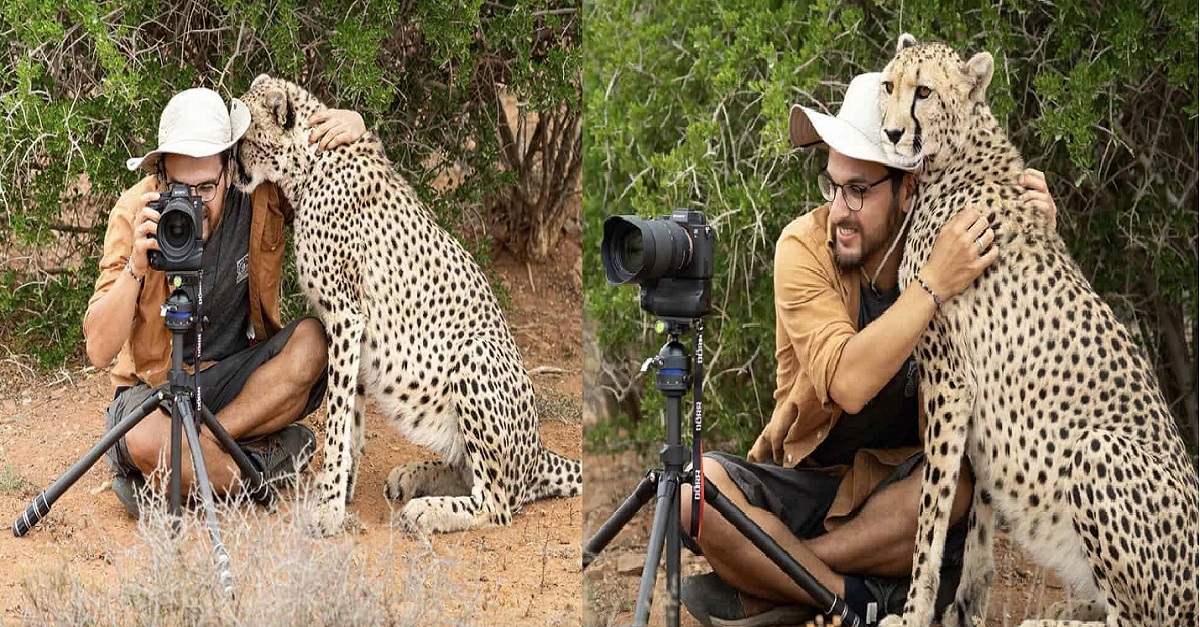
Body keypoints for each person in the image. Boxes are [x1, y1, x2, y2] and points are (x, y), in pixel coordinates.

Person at [677, 72, 1058, 626]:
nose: (838, 209)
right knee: (694, 493)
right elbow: (848, 385)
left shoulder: (954, 242)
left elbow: (1026, 378)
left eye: (859, 190)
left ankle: (778, 584)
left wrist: (1032, 241)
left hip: (903, 508)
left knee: (952, 489)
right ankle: (856, 599)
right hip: (812, 485)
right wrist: (932, 285)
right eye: (832, 186)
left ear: (908, 190)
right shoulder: (803, 246)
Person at [83, 87, 367, 517]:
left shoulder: (258, 194)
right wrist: (135, 269)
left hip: (236, 380)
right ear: (160, 176)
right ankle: (257, 468)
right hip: (157, 389)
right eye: (179, 187)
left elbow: (323, 177)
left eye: (206, 187)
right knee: (142, 436)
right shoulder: (135, 212)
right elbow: (99, 349)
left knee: (314, 342)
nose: (193, 202)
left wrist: (356, 130)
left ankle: (185, 470)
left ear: (230, 169)